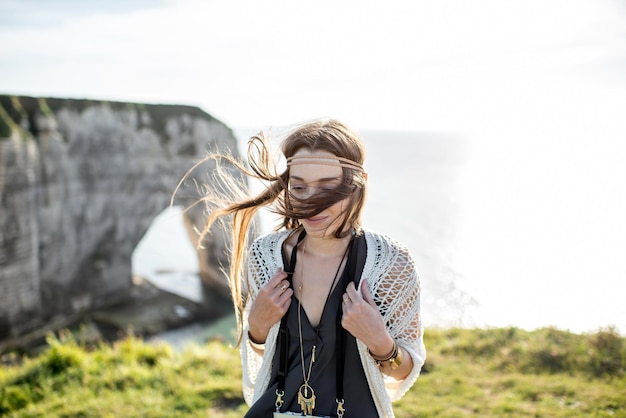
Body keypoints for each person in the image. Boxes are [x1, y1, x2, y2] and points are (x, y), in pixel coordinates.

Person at [192, 119, 426, 417]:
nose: (311, 204)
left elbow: (405, 370)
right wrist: (258, 328)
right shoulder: (266, 255)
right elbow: (264, 357)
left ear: (359, 183)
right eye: (299, 187)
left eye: (328, 188)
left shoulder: (392, 263)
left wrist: (381, 343)